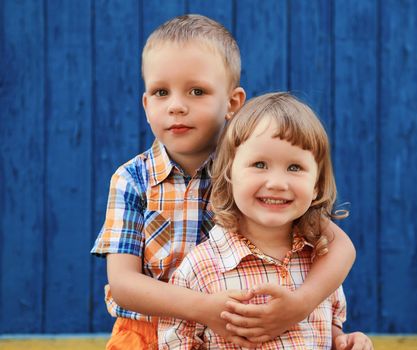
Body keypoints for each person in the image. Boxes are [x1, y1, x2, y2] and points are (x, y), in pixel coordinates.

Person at [91, 15, 357, 350]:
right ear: (146, 105)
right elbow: (124, 283)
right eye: (161, 92)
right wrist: (205, 308)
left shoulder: (250, 173)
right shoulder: (133, 179)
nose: (176, 106)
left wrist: (300, 304)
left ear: (232, 103)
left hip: (233, 328)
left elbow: (341, 248)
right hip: (146, 331)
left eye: (197, 91)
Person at [158, 92, 374, 350]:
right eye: (259, 164)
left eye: (295, 168)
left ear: (316, 185)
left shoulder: (320, 260)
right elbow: (177, 342)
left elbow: (329, 326)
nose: (277, 183)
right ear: (229, 174)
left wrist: (344, 341)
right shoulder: (200, 268)